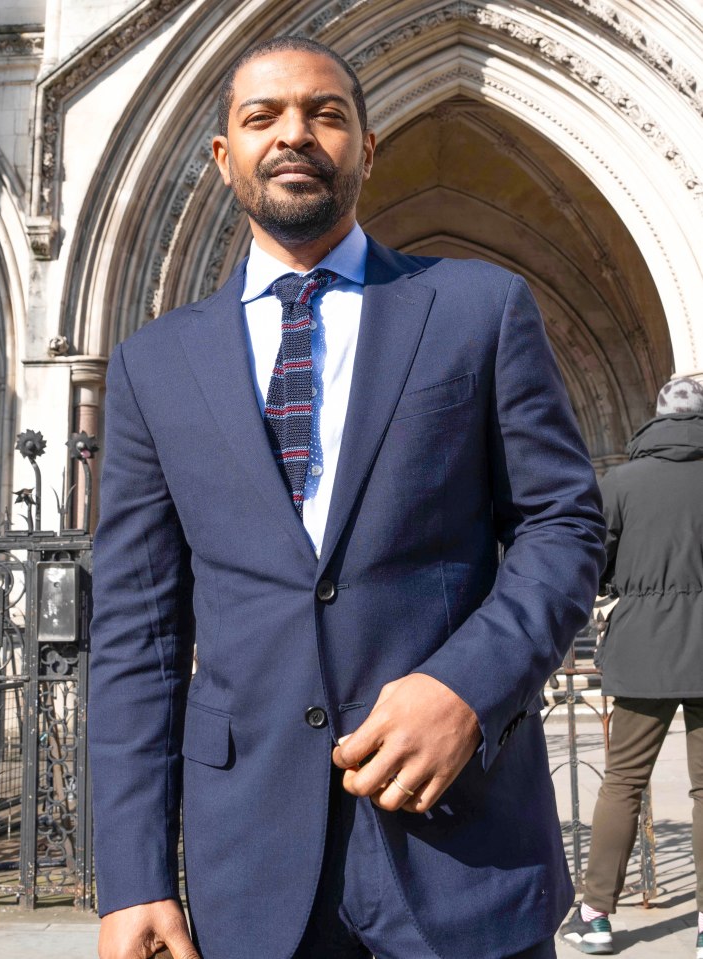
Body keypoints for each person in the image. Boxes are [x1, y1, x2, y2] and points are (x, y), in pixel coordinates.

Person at [88, 36, 606, 959]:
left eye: (326, 114)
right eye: (263, 117)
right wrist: (131, 878)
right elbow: (138, 633)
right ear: (223, 157)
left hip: (463, 847)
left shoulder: (479, 309)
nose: (295, 134)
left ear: (367, 147)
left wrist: (467, 687)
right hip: (249, 867)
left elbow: (563, 525)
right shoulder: (152, 366)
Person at [560, 377, 703, 957]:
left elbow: (595, 563)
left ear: (657, 419)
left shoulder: (619, 482)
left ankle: (596, 917)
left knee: (622, 783)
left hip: (642, 646)